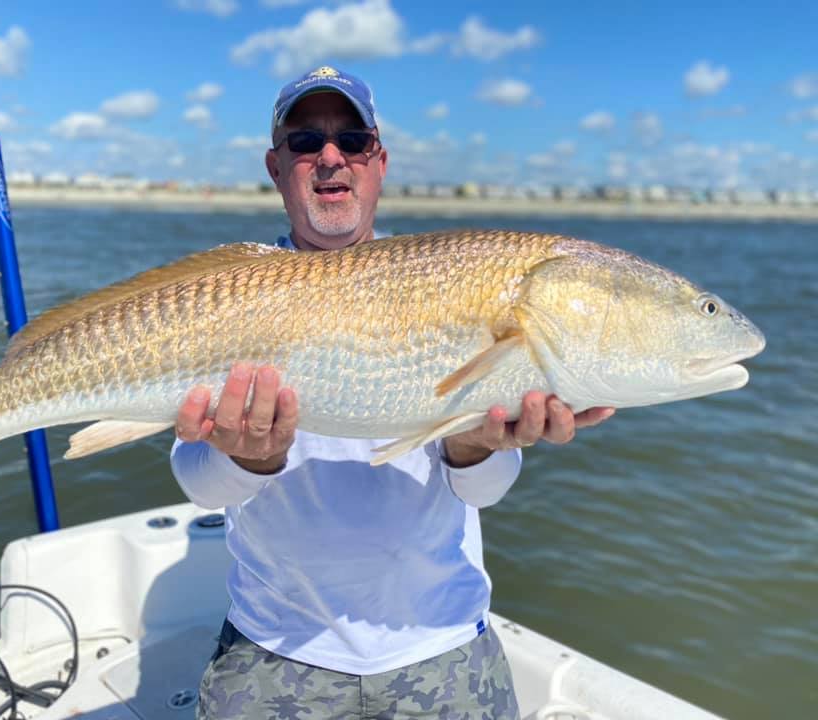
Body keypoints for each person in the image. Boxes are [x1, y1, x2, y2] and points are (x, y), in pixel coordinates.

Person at [171, 66, 614, 719]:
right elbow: (199, 484)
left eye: (352, 140)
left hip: (442, 640)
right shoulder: (228, 295)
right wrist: (247, 458)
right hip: (273, 644)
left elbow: (484, 491)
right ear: (275, 166)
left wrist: (472, 443)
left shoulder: (449, 279)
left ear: (379, 162)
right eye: (305, 142)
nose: (331, 157)